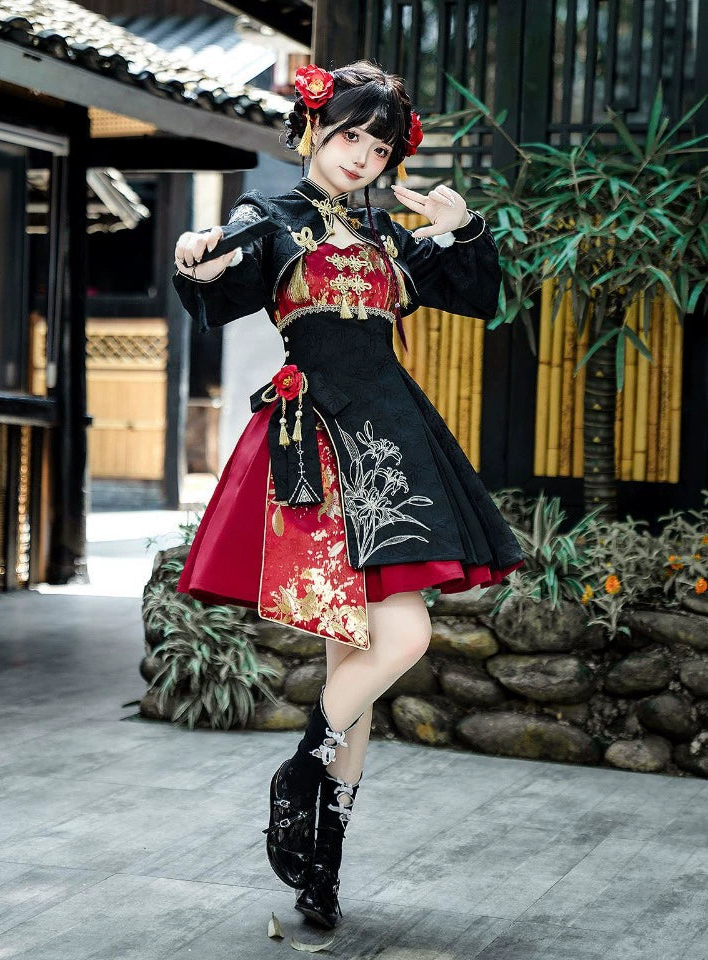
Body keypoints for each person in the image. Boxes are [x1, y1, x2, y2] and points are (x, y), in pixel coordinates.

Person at [172, 59, 525, 929]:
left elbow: (480, 297)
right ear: (314, 131)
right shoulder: (271, 217)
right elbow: (219, 281)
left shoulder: (388, 237)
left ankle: (319, 870)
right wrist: (196, 262)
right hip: (322, 447)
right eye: (350, 135)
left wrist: (461, 224)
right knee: (401, 636)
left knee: (355, 670)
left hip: (397, 441)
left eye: (380, 143)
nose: (362, 154)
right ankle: (304, 765)